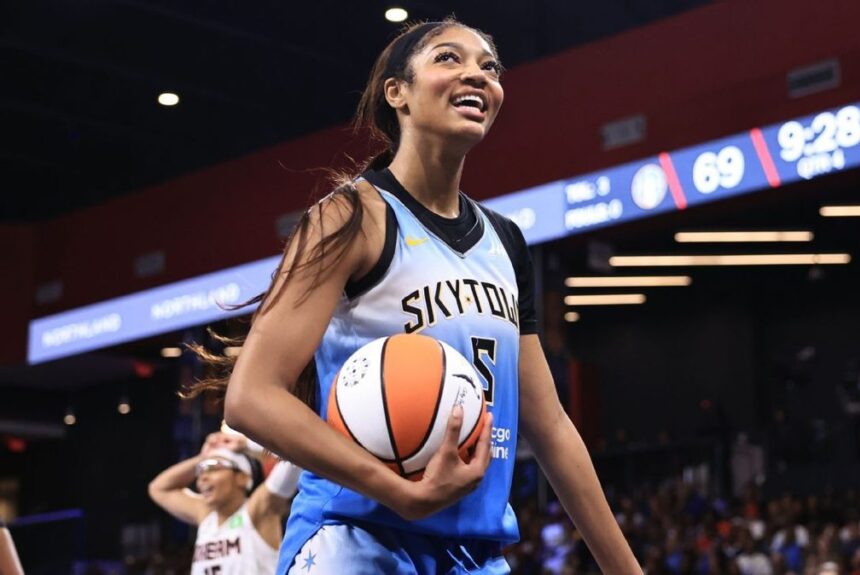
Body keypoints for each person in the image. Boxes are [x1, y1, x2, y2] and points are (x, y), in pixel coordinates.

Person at [189, 17, 640, 574]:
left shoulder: (505, 241)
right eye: (449, 58)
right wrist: (398, 492)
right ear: (396, 92)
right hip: (354, 539)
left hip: (473, 554)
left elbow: (548, 425)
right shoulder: (350, 216)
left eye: (489, 66)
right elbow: (251, 396)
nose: (477, 74)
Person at [148, 432, 301, 574]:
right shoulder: (206, 515)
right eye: (201, 470)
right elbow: (158, 489)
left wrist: (248, 444)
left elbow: (295, 452)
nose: (202, 477)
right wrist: (202, 457)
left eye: (213, 467)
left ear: (243, 478)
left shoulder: (258, 509)